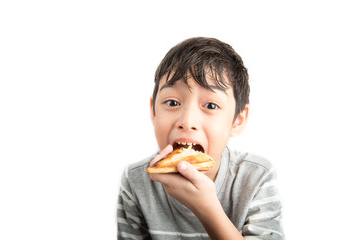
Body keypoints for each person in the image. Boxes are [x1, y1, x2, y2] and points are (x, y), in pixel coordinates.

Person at [117, 37, 284, 239]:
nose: (187, 121)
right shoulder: (136, 180)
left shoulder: (256, 177)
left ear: (237, 121)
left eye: (211, 106)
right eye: (172, 102)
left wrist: (207, 209)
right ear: (153, 111)